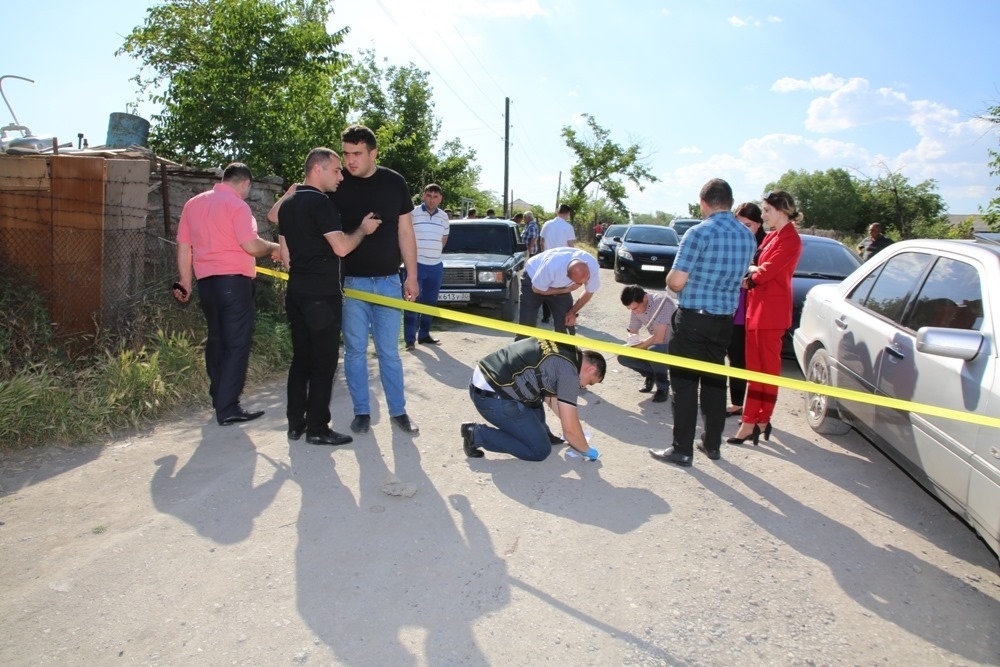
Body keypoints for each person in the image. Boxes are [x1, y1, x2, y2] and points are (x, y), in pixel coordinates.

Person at [274, 148, 381, 445]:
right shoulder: (322, 204)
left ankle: (295, 424)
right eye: (335, 170)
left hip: (297, 291)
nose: (341, 176)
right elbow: (342, 247)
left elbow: (286, 251)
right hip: (322, 295)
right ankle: (318, 429)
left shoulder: (288, 204)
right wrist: (363, 229)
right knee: (323, 364)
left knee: (301, 360)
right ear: (317, 169)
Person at [649, 178, 755, 466]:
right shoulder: (747, 236)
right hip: (724, 322)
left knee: (684, 385)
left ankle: (682, 449)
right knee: (714, 383)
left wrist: (670, 278)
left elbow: (677, 282)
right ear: (730, 203)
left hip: (694, 318)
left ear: (703, 203)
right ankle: (712, 444)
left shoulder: (698, 233)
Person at [328, 124, 420, 435]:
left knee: (389, 352)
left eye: (357, 153)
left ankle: (399, 411)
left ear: (373, 153)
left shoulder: (394, 182)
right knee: (355, 351)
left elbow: (405, 231)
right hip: (351, 284)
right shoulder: (338, 184)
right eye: (346, 153)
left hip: (389, 281)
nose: (350, 160)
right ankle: (362, 412)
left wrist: (412, 275)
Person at [174, 163, 279, 426]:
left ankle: (219, 397)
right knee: (236, 343)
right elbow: (251, 246)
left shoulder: (193, 204)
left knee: (217, 340)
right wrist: (272, 247)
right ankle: (228, 406)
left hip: (206, 284)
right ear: (245, 183)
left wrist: (185, 282)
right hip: (234, 282)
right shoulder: (237, 206)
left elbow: (184, 246)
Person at [727, 190, 803, 446]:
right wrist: (753, 272)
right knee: (754, 370)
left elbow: (765, 272)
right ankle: (755, 419)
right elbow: (756, 266)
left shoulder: (791, 239)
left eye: (767, 210)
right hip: (756, 309)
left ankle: (756, 420)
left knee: (766, 371)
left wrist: (751, 275)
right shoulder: (772, 237)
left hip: (771, 314)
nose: (764, 215)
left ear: (781, 211)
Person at [461, 337, 606, 461]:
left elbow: (552, 397)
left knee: (537, 393)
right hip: (493, 398)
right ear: (591, 369)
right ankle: (476, 434)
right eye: (590, 382)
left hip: (485, 377)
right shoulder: (569, 375)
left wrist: (572, 424)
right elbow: (570, 431)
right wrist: (585, 449)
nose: (583, 387)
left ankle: (541, 433)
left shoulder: (568, 348)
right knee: (539, 451)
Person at [726, 202, 767, 417]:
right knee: (733, 358)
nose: (743, 230)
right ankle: (736, 403)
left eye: (748, 225)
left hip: (751, 312)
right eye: (739, 224)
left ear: (759, 224)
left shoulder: (764, 247)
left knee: (746, 361)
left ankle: (747, 407)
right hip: (729, 309)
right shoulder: (731, 242)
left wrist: (750, 279)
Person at [404, 183, 450, 350]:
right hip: (416, 264)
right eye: (429, 196)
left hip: (435, 265)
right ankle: (410, 339)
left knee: (430, 302)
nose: (432, 200)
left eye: (435, 197)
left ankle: (424, 335)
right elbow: (405, 236)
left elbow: (443, 239)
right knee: (412, 301)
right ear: (423, 196)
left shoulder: (444, 217)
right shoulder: (412, 213)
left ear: (440, 199)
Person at [517, 246, 600, 337]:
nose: (582, 284)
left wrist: (572, 312)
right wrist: (567, 289)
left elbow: (589, 292)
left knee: (567, 321)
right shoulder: (552, 265)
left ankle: (565, 345)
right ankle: (523, 343)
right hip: (534, 280)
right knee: (526, 324)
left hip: (559, 285)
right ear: (567, 277)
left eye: (584, 281)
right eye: (578, 282)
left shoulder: (592, 266)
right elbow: (536, 289)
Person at [618, 285, 676, 403]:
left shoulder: (662, 303)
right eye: (631, 309)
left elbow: (659, 339)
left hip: (675, 346)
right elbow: (633, 330)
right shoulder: (636, 307)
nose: (634, 311)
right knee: (623, 357)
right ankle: (652, 374)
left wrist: (636, 348)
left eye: (635, 308)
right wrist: (631, 342)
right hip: (657, 344)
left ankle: (663, 387)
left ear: (645, 298)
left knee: (654, 350)